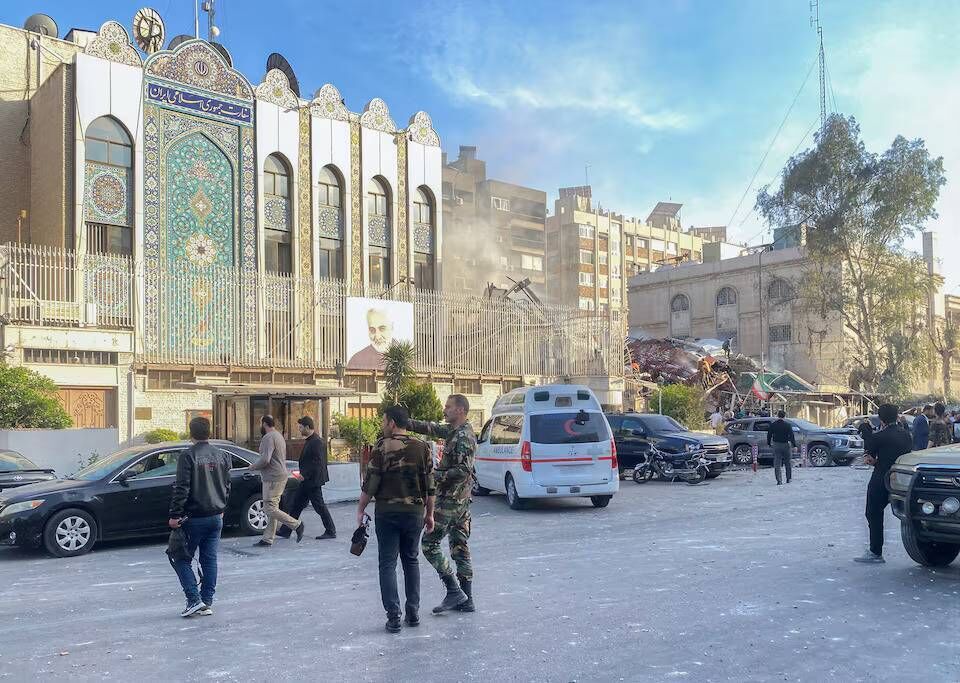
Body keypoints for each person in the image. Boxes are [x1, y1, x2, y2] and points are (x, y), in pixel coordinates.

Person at [356, 406, 435, 633]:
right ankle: (413, 613)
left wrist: (360, 509)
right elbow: (430, 486)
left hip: (387, 513)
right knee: (411, 560)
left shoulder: (381, 447)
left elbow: (370, 483)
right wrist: (429, 514)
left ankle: (393, 617)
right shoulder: (422, 447)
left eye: (383, 421)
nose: (382, 425)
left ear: (391, 423)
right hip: (414, 514)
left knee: (387, 563)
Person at [407, 394, 476, 614]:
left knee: (429, 544)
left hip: (452, 502)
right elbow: (432, 428)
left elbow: (463, 471)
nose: (444, 410)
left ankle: (454, 590)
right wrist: (407, 423)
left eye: (448, 407)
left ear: (460, 410)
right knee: (460, 548)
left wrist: (435, 475)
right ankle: (466, 600)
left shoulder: (464, 436)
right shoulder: (454, 431)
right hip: (460, 501)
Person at [168, 416, 232, 617]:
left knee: (179, 557)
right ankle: (206, 601)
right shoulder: (221, 455)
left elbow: (182, 487)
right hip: (216, 515)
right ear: (209, 432)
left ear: (190, 433)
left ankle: (194, 600)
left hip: (194, 516)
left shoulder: (188, 456)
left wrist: (175, 514)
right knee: (209, 559)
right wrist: (222, 507)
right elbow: (227, 485)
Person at [855, 403, 911, 564]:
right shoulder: (906, 435)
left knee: (873, 513)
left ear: (880, 418)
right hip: (901, 479)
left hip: (881, 479)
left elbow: (869, 459)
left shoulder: (878, 437)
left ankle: (875, 551)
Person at [277, 416, 337, 541]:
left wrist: (305, 475)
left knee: (319, 506)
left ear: (307, 427)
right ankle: (286, 530)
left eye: (300, 427)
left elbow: (317, 462)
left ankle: (331, 530)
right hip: (307, 481)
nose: (299, 430)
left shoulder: (316, 442)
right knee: (296, 504)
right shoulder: (311, 441)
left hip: (312, 481)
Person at [250, 415, 303, 546]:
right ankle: (268, 538)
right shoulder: (278, 435)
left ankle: (297, 525)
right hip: (278, 476)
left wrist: (253, 466)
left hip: (273, 477)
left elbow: (266, 459)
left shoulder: (268, 437)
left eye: (260, 423)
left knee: (269, 508)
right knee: (273, 507)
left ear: (264, 424)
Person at [766, 410, 796, 486]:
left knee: (777, 463)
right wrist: (794, 445)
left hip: (776, 445)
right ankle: (788, 478)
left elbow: (769, 435)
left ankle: (779, 480)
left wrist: (769, 443)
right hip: (786, 445)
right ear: (784, 416)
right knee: (788, 462)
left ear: (778, 416)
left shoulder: (773, 425)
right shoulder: (788, 425)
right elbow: (792, 436)